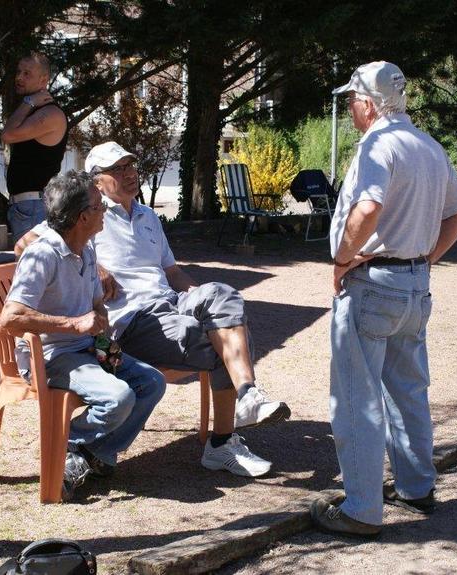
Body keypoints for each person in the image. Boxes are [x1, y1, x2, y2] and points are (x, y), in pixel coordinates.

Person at [16, 141, 291, 478]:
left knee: (225, 300)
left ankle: (248, 396)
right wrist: (99, 266)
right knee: (215, 341)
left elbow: (172, 272)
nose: (130, 173)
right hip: (133, 320)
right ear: (96, 181)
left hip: (169, 304)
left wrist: (204, 301)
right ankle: (221, 444)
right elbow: (25, 243)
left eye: (131, 165)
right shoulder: (86, 215)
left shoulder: (147, 216)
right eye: (119, 169)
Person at [310, 61, 457, 537]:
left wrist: (341, 258)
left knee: (357, 398)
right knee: (408, 391)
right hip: (413, 284)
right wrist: (427, 256)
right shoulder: (427, 145)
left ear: (367, 102)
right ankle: (417, 486)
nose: (349, 108)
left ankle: (361, 508)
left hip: (373, 284)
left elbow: (367, 206)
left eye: (351, 100)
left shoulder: (377, 146)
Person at [0, 171, 166, 499]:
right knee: (118, 398)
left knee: (152, 382)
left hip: (88, 347)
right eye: (98, 205)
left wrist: (101, 329)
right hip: (50, 356)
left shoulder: (86, 249)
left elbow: (94, 305)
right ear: (82, 217)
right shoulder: (43, 255)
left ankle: (90, 453)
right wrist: (73, 324)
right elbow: (11, 317)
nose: (104, 209)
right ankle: (70, 445)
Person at [1, 52, 68, 242]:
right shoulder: (34, 110)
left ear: (43, 80)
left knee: (33, 268)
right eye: (18, 72)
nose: (19, 77)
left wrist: (28, 102)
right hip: (27, 206)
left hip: (34, 207)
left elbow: (7, 135)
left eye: (27, 73)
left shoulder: (50, 113)